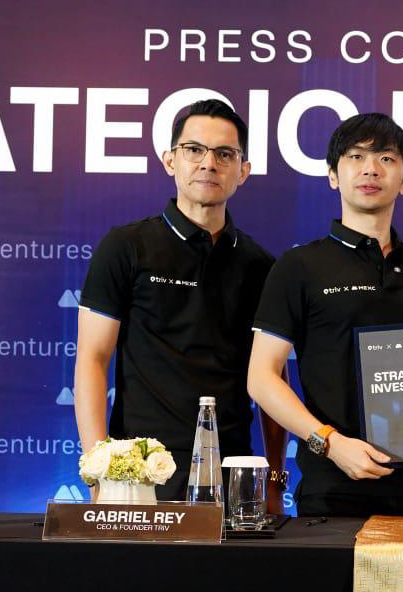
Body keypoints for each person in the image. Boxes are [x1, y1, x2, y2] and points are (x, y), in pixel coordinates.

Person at [247, 113, 403, 518]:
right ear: (333, 175)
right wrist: (329, 443)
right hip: (330, 488)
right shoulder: (299, 266)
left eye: (386, 158)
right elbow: (261, 377)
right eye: (356, 156)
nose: (371, 168)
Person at [74, 99, 285, 506]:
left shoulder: (260, 265)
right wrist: (98, 475)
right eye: (194, 150)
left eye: (224, 154)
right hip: (139, 471)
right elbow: (92, 359)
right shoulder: (126, 247)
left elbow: (272, 376)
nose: (209, 163)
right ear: (170, 160)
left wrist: (274, 477)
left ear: (243, 171)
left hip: (231, 473)